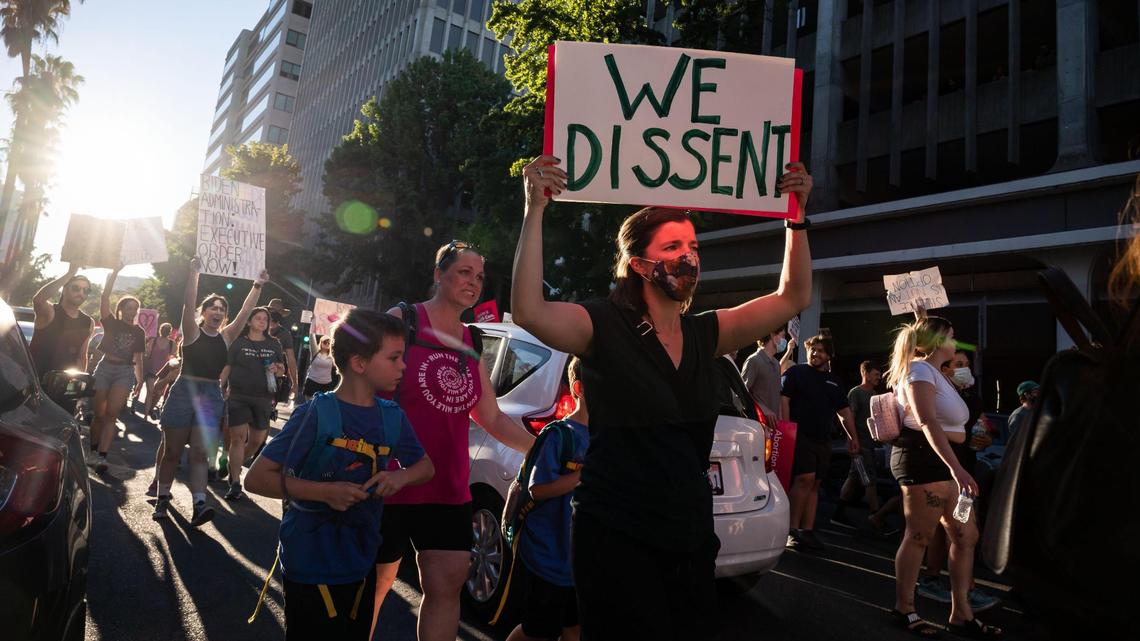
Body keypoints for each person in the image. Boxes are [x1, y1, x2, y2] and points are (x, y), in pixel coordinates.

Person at [510, 155, 814, 639]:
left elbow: (792, 296)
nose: (688, 256)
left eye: (692, 246)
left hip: (688, 533)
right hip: (616, 534)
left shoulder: (705, 334)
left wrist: (795, 216)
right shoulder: (602, 325)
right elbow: (527, 310)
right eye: (672, 246)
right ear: (639, 264)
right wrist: (535, 210)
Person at [370, 241, 535, 641]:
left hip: (447, 488)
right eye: (464, 272)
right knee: (373, 586)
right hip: (389, 482)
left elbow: (490, 415)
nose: (473, 282)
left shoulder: (472, 341)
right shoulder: (404, 319)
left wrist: (544, 448)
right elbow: (366, 389)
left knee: (445, 588)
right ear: (438, 275)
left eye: (479, 277)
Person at [245, 309, 435, 640]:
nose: (403, 367)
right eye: (394, 358)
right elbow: (256, 478)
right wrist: (325, 492)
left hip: (361, 563)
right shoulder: (315, 414)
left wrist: (399, 478)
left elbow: (425, 468)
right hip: (309, 564)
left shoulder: (393, 417)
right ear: (360, 363)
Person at [887, 316, 1002, 638]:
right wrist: (957, 468)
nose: (956, 342)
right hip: (926, 463)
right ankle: (904, 608)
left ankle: (961, 614)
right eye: (952, 336)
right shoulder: (919, 370)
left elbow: (954, 421)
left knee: (965, 536)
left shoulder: (939, 374)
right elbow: (927, 422)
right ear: (938, 341)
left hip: (951, 465)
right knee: (920, 535)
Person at [152, 258, 267, 527]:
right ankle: (162, 498)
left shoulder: (227, 336)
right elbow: (188, 302)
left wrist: (257, 285)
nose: (217, 311)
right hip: (184, 391)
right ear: (203, 313)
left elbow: (246, 310)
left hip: (210, 395)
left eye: (221, 309)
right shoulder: (191, 332)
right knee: (172, 451)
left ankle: (199, 504)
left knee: (201, 453)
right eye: (212, 307)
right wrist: (194, 274)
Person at [506, 356, 589, 641]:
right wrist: (583, 476)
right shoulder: (560, 435)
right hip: (547, 558)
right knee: (536, 631)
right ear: (579, 388)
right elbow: (537, 489)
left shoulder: (606, 436)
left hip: (578, 561)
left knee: (574, 628)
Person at [914, 350, 1000, 611]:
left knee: (959, 530)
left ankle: (956, 586)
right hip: (943, 470)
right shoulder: (937, 393)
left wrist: (986, 438)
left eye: (966, 365)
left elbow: (980, 425)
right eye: (957, 365)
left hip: (966, 472)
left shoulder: (970, 394)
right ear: (945, 369)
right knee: (949, 529)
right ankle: (946, 583)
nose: (964, 369)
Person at [781, 335, 860, 551]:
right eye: (812, 349)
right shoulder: (795, 372)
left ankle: (807, 530)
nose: (816, 354)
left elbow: (844, 412)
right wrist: (788, 430)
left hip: (823, 439)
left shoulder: (834, 381)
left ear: (829, 355)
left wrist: (853, 437)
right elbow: (784, 400)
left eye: (821, 350)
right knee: (804, 479)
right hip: (800, 436)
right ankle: (792, 530)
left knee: (815, 483)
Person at [218, 307, 284, 500]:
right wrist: (218, 388)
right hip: (238, 396)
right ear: (249, 322)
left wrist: (277, 368)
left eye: (265, 319)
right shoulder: (238, 343)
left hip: (263, 398)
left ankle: (233, 465)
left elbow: (281, 371)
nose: (262, 322)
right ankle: (236, 482)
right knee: (238, 438)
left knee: (256, 442)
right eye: (258, 318)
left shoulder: (274, 344)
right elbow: (227, 367)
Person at [89, 266, 146, 473]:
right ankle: (93, 449)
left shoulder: (139, 332)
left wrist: (139, 380)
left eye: (135, 309)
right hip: (105, 369)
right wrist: (113, 274)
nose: (132, 312)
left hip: (124, 372)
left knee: (112, 414)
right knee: (99, 414)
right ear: (121, 309)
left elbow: (138, 357)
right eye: (129, 308)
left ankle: (102, 457)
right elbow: (104, 299)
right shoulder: (111, 323)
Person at [832, 361, 883, 528]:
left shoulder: (875, 394)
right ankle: (876, 517)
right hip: (860, 446)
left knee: (854, 477)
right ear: (866, 374)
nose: (879, 377)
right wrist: (851, 442)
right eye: (876, 374)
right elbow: (849, 418)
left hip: (870, 444)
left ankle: (838, 514)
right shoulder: (856, 393)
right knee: (869, 480)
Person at [28, 262, 94, 387]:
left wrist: (78, 385)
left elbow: (81, 356)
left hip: (64, 385)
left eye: (86, 290)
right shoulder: (50, 312)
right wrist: (70, 274)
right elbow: (38, 299)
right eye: (76, 288)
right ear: (64, 290)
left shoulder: (88, 322)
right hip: (35, 380)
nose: (81, 293)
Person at [741, 326, 796, 421]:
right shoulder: (754, 360)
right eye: (783, 336)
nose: (784, 340)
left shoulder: (776, 364)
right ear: (773, 335)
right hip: (757, 423)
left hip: (773, 427)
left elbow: (777, 396)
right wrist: (763, 409)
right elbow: (742, 393)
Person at [140, 322, 177, 420]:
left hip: (163, 373)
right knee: (150, 392)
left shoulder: (172, 343)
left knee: (158, 393)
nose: (165, 331)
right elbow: (147, 353)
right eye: (164, 329)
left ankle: (150, 409)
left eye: (167, 330)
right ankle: (146, 415)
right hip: (151, 371)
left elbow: (173, 358)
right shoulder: (154, 340)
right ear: (161, 330)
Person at [267, 298, 299, 406]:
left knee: (266, 411)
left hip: (273, 377)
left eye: (277, 313)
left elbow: (291, 359)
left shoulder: (285, 334)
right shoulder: (257, 328)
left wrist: (295, 383)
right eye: (272, 312)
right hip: (253, 373)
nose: (273, 316)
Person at [303, 335, 337, 400]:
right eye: (325, 342)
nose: (327, 344)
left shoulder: (332, 356)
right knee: (310, 405)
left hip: (326, 384)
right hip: (312, 382)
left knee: (323, 406)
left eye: (328, 343)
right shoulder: (315, 353)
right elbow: (312, 339)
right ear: (321, 343)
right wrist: (312, 329)